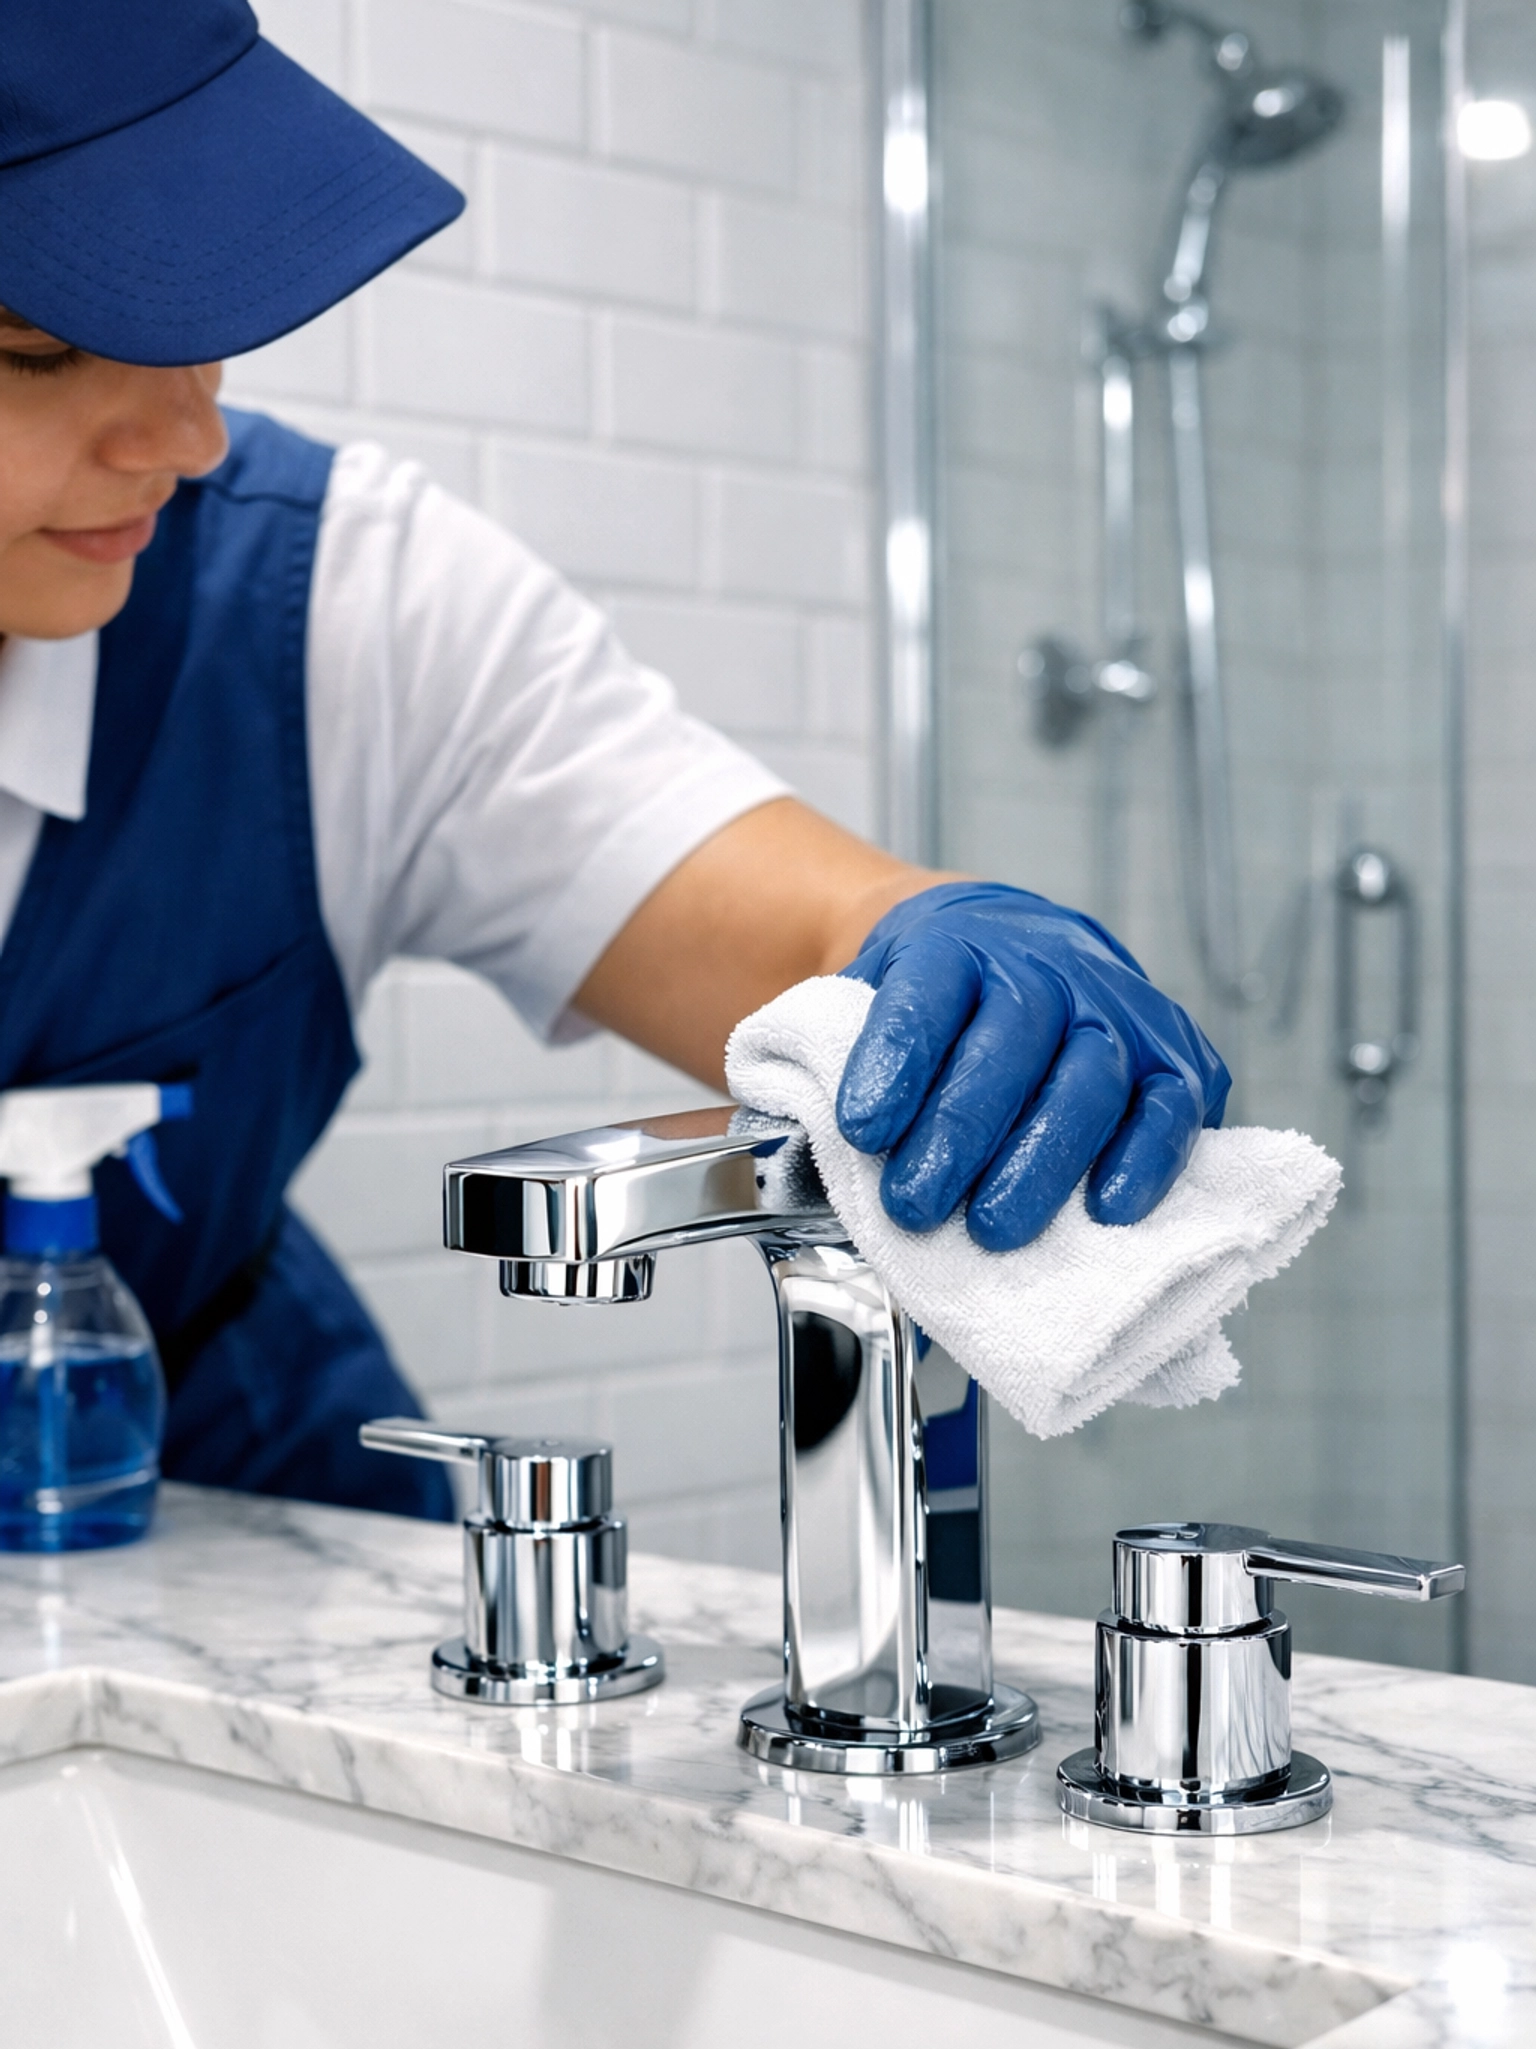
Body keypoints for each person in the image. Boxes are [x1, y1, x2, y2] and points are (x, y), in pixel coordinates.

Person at [0, 0, 1229, 1521]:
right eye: (39, 351)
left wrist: (953, 953)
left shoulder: (331, 600)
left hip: (234, 1490)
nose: (187, 438)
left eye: (200, 321)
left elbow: (802, 936)